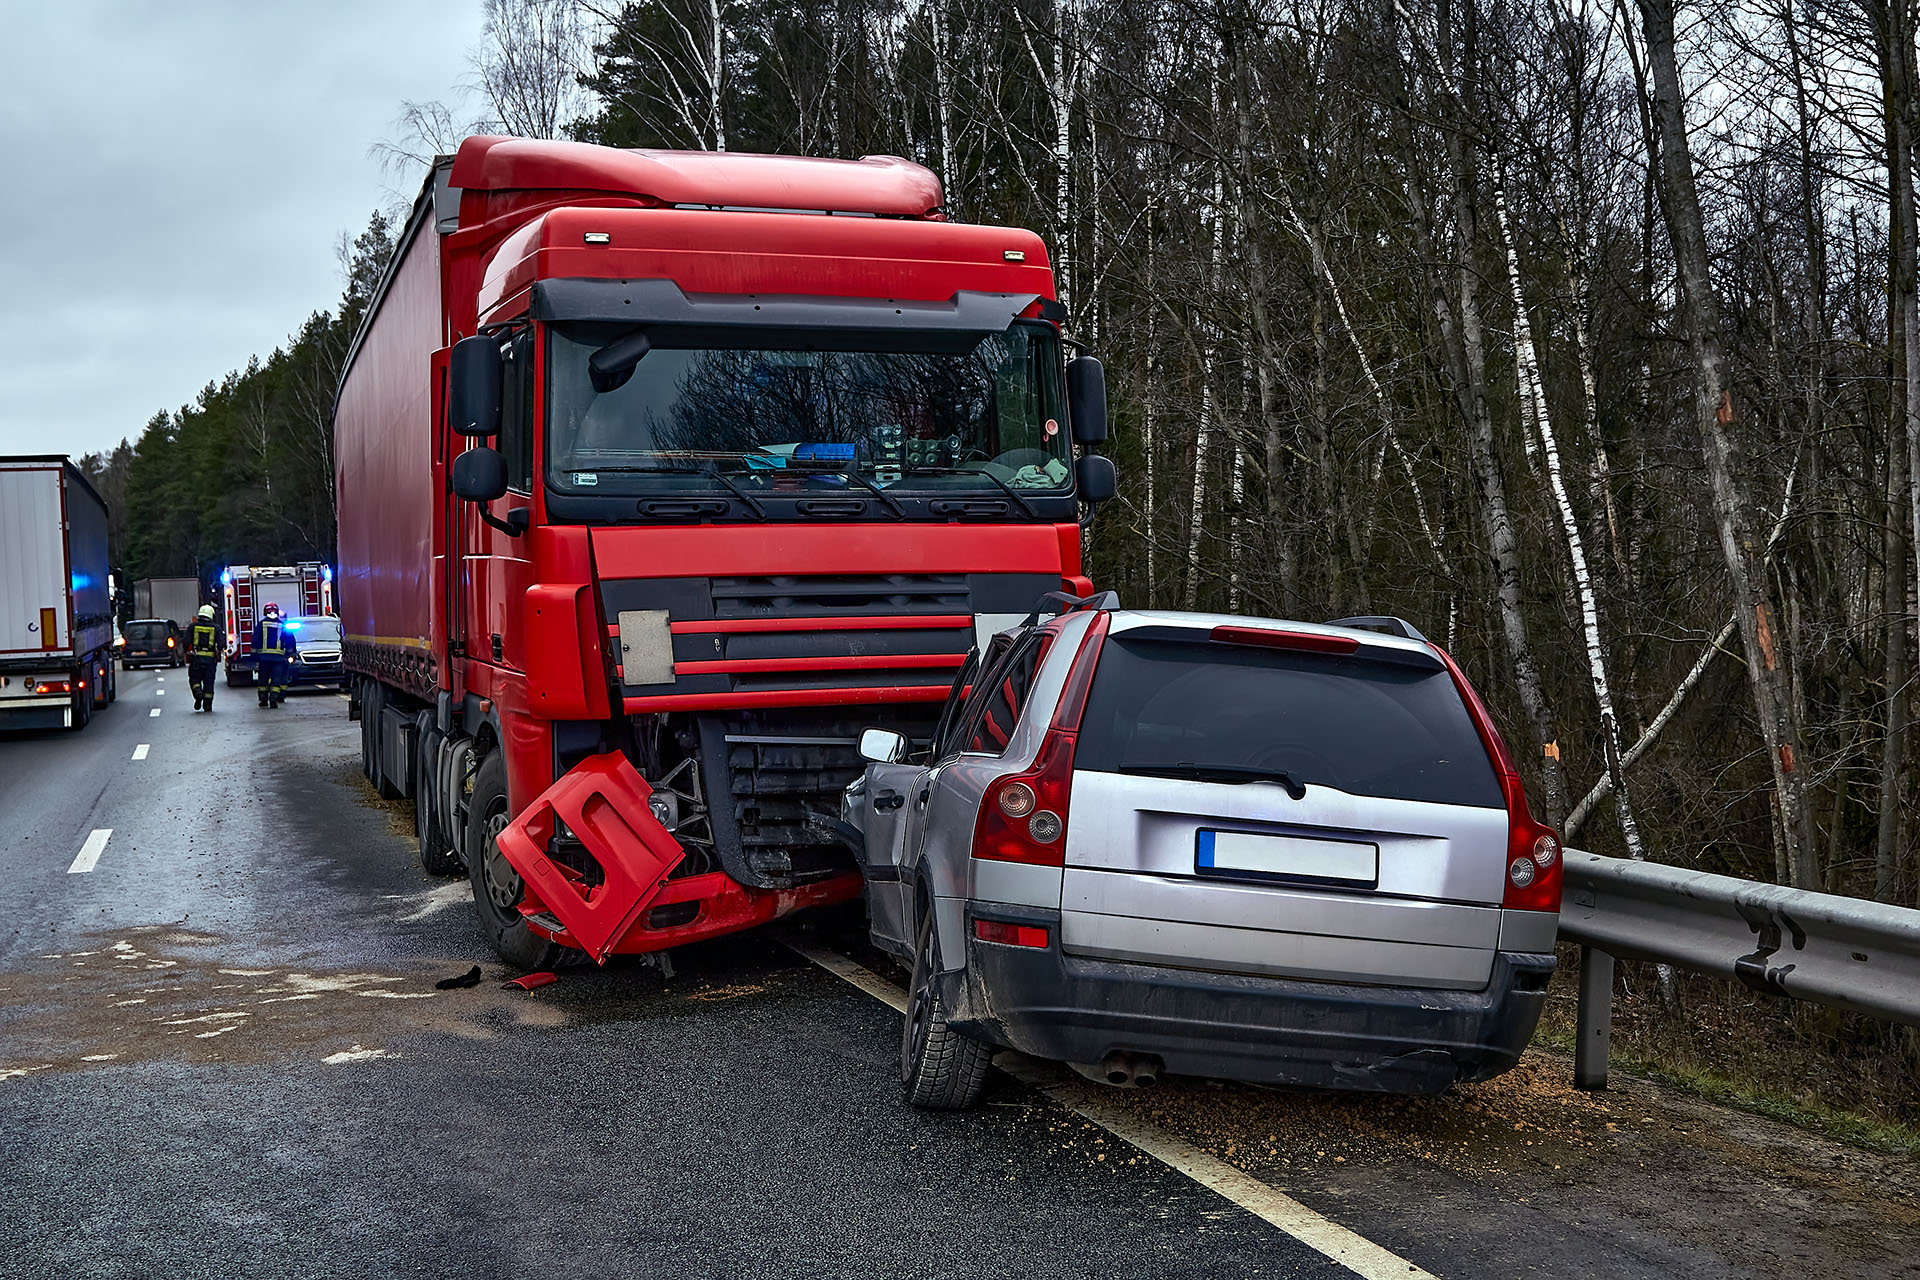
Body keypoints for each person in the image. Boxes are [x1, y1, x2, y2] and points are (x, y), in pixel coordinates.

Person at [252, 603, 296, 709]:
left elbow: (255, 641)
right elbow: (290, 641)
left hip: (264, 658)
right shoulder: (282, 625)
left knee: (263, 679)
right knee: (276, 680)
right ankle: (273, 700)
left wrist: (254, 657)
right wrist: (291, 654)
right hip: (278, 659)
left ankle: (263, 700)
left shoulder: (261, 624)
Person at [188, 604, 220, 712]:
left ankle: (198, 693)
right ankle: (207, 705)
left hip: (196, 659)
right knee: (209, 682)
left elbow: (185, 641)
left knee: (194, 679)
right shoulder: (216, 628)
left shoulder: (193, 626)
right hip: (210, 661)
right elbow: (222, 644)